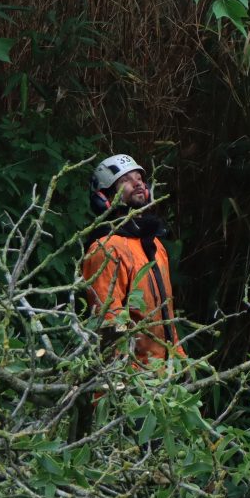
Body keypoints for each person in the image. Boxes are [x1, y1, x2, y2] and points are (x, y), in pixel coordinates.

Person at [81, 153, 184, 364]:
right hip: (129, 377)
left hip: (162, 373)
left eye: (138, 178)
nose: (136, 183)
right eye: (125, 181)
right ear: (105, 197)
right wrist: (119, 379)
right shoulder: (106, 248)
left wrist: (179, 357)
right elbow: (108, 318)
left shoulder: (154, 244)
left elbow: (166, 311)